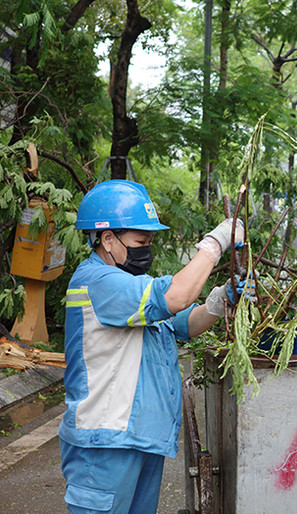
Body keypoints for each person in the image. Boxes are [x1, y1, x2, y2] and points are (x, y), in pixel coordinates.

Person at [58, 180, 244, 513]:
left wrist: (219, 302)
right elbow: (174, 296)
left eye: (150, 241)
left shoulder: (128, 287)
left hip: (138, 440)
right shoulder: (99, 281)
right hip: (104, 445)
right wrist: (216, 244)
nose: (147, 248)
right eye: (141, 240)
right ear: (108, 238)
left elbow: (183, 322)